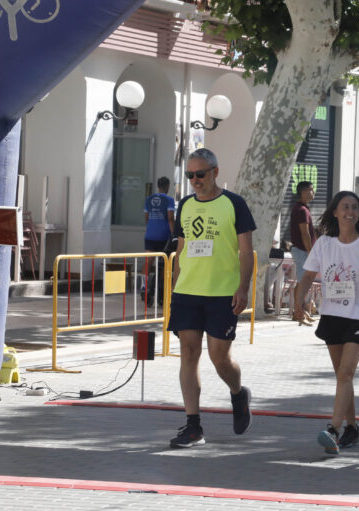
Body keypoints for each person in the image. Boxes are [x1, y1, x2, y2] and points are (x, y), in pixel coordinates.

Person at [167, 148, 256, 448]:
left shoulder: (234, 204)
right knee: (189, 354)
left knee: (220, 359)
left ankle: (238, 393)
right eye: (190, 175)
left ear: (215, 172)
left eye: (200, 174)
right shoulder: (185, 206)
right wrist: (174, 284)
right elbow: (181, 248)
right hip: (188, 292)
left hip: (222, 293)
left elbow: (246, 252)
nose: (195, 180)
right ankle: (194, 426)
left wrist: (243, 287)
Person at [294, 191, 359, 455]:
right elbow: (307, 276)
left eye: (354, 207)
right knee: (343, 376)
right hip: (332, 315)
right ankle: (352, 427)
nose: (350, 212)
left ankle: (333, 430)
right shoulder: (325, 244)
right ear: (335, 212)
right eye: (344, 207)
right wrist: (298, 301)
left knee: (345, 373)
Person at [140, 177, 175, 302]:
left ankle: (144, 286)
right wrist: (174, 234)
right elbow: (170, 218)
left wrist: (151, 227)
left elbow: (146, 217)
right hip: (164, 236)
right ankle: (161, 289)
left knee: (148, 262)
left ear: (158, 186)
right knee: (164, 263)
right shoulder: (169, 200)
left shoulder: (148, 200)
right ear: (167, 186)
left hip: (150, 234)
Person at [290, 180, 317, 324]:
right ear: (304, 191)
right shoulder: (301, 210)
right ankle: (297, 312)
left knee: (303, 282)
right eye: (311, 190)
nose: (313, 192)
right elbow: (305, 234)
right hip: (302, 251)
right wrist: (311, 252)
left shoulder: (302, 209)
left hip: (302, 250)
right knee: (302, 283)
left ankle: (302, 311)